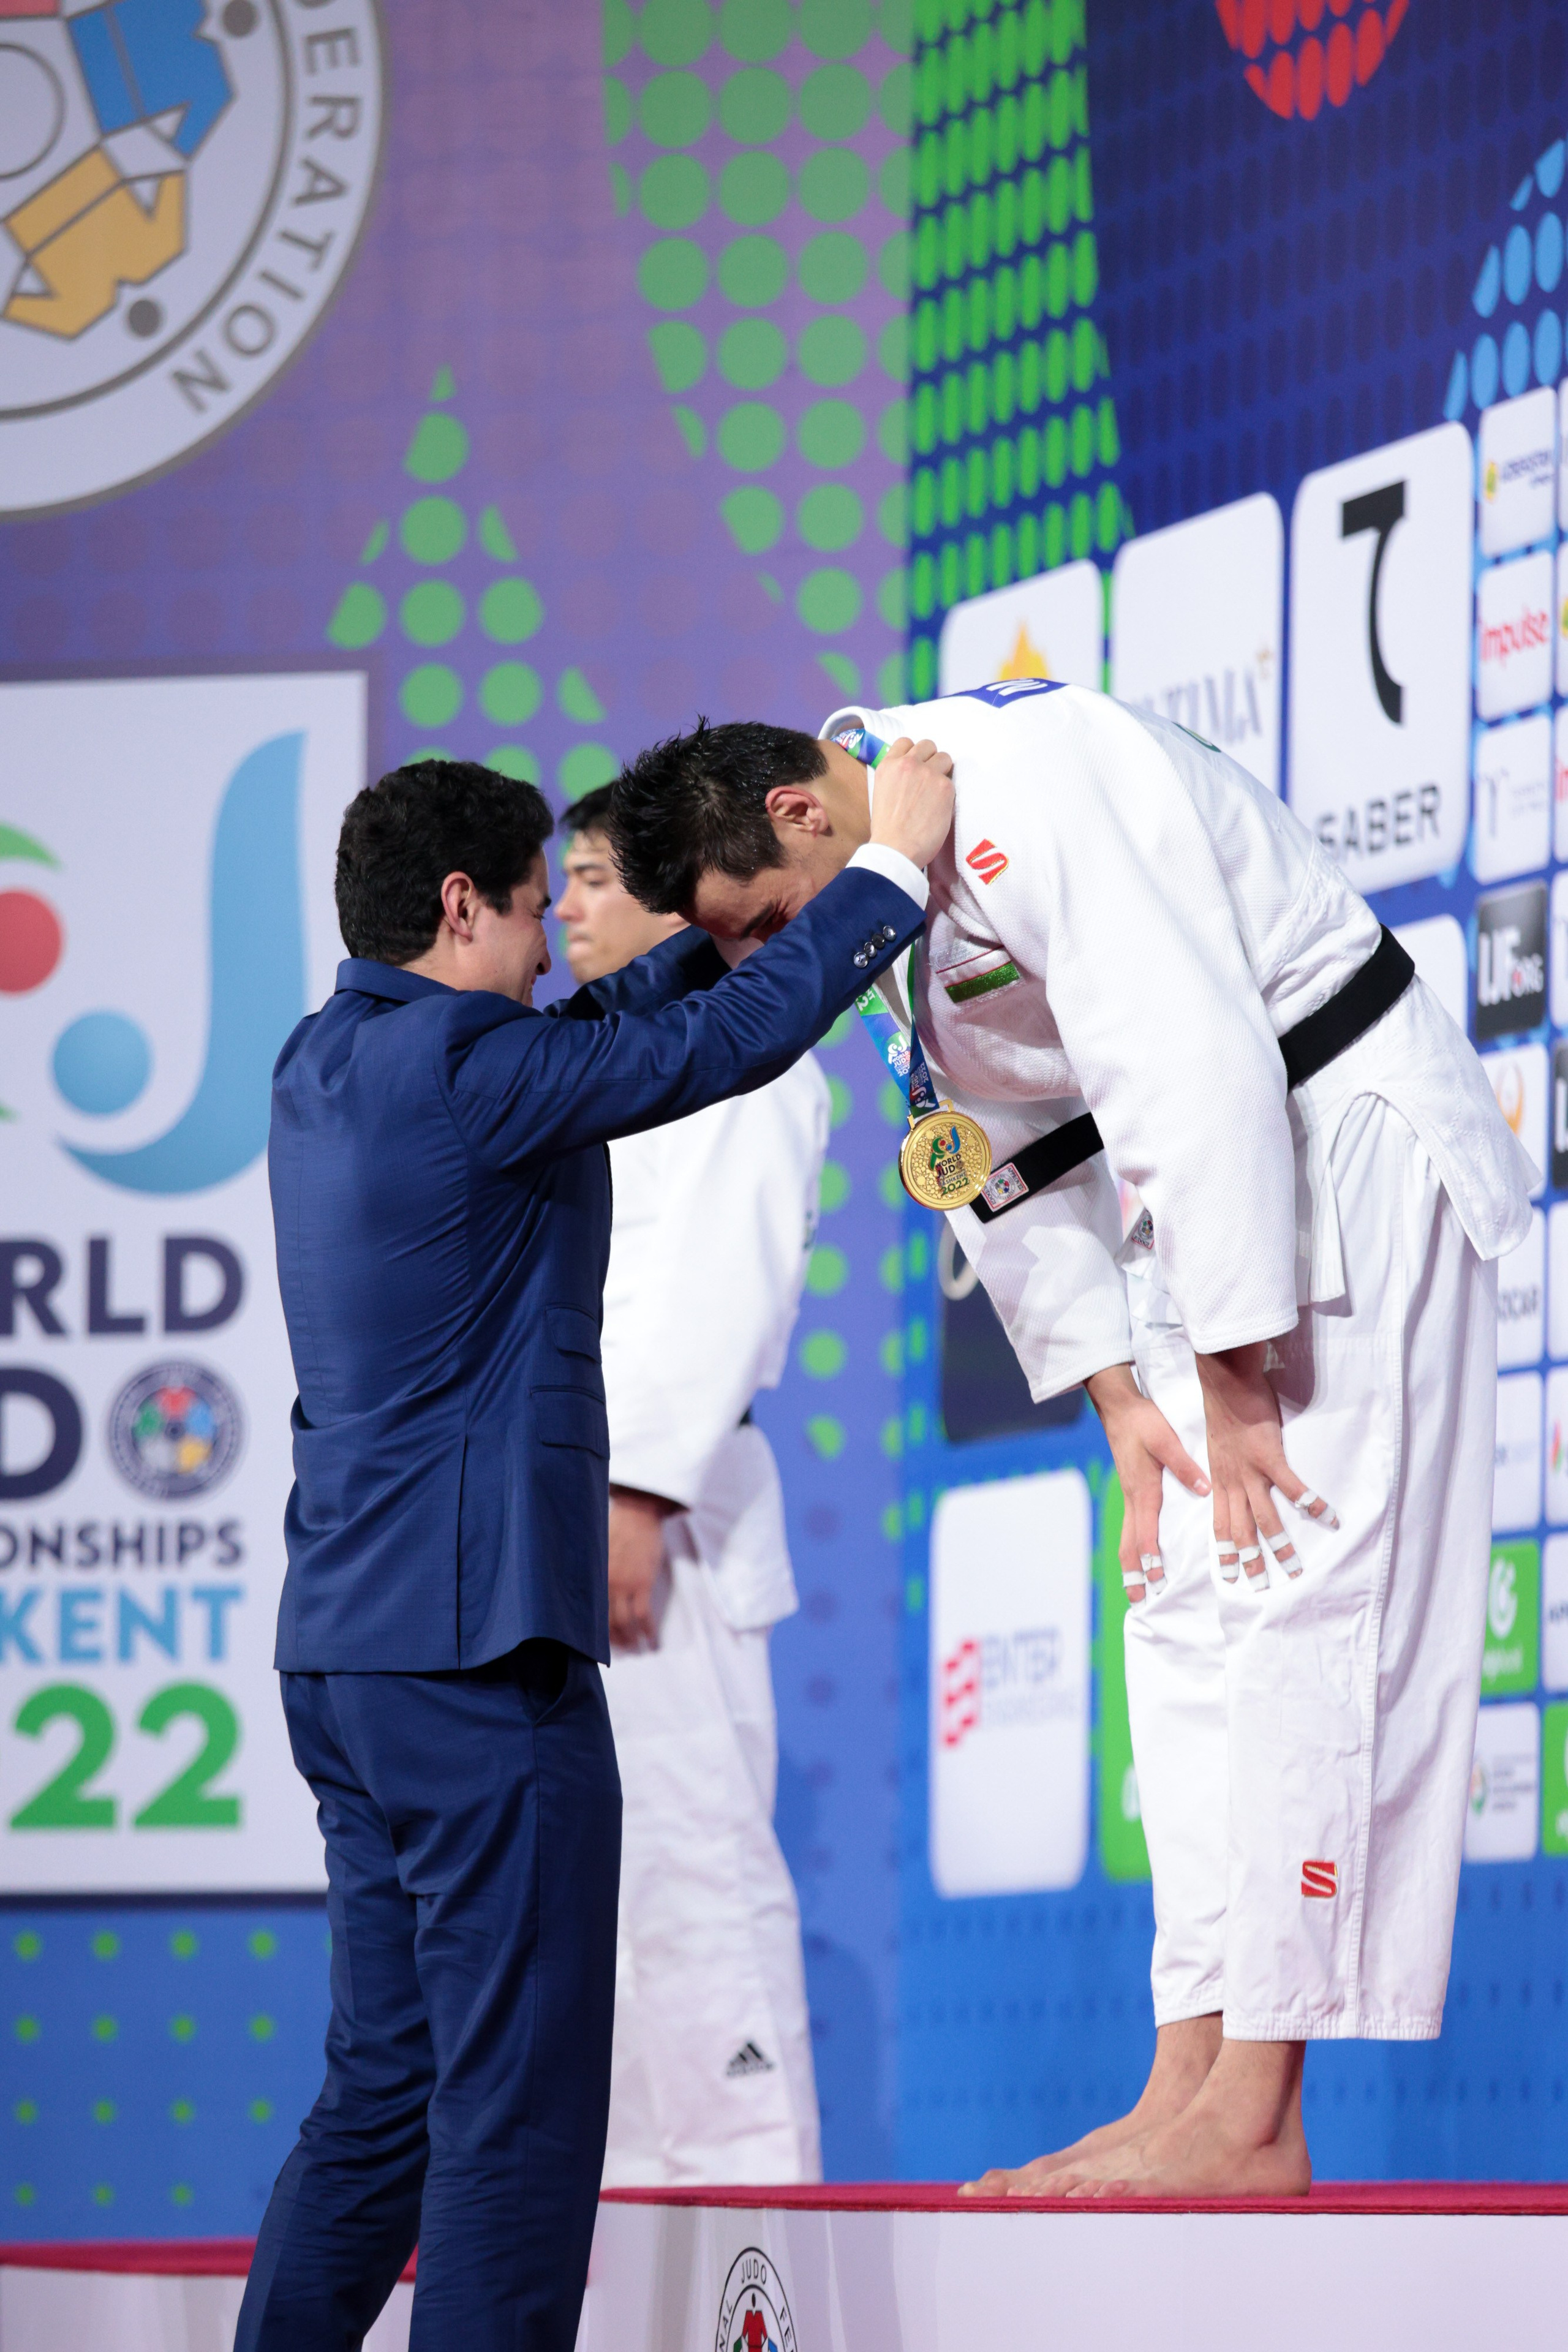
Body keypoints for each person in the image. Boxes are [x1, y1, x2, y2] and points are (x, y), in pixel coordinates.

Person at [606, 688, 1532, 2202]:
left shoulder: (1024, 786)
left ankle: (1257, 2112)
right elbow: (999, 1158)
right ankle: (1184, 2075)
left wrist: (1231, 1379)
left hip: (1332, 1149)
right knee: (1174, 1609)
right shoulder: (889, 875)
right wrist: (1118, 1398)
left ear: (797, 809)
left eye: (762, 924)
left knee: (1293, 1583)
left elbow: (1189, 1063)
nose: (764, 963)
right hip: (1201, 1222)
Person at [235, 747, 951, 2351]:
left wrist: (721, 922)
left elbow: (604, 1032)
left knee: (385, 2088)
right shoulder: (474, 1080)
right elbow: (727, 1047)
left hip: (346, 1656)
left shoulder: (325, 1062)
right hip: (479, 1658)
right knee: (521, 2110)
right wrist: (884, 875)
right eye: (533, 912)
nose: (558, 944)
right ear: (458, 902)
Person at [557, 787, 826, 2185]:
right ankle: (622, 2223)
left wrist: (639, 1500)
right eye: (560, 881)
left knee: (690, 1860)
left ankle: (742, 2234)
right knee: (592, 1903)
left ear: (679, 899)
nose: (566, 908)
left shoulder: (753, 1061)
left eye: (597, 877)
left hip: (662, 1526)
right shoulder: (593, 1069)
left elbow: (721, 1283)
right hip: (568, 1519)